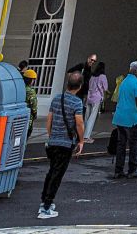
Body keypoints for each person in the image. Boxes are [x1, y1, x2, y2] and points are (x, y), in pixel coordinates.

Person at [37, 70, 84, 220]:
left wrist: (51, 135)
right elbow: (79, 123)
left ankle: (44, 201)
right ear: (80, 86)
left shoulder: (57, 99)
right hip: (66, 142)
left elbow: (49, 119)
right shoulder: (77, 102)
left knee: (51, 171)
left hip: (53, 141)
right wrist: (81, 140)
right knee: (58, 174)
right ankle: (46, 207)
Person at [112, 61, 137, 178]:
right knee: (134, 144)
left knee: (121, 144)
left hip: (120, 116)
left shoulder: (124, 82)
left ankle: (118, 170)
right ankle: (132, 169)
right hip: (132, 118)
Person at [84, 61, 108, 143]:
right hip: (97, 98)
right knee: (92, 117)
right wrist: (104, 97)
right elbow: (105, 88)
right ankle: (87, 137)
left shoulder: (92, 76)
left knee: (86, 117)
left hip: (89, 97)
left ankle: (83, 134)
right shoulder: (102, 76)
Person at [22, 68, 38, 133]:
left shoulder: (20, 87)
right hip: (28, 116)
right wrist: (35, 114)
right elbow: (33, 105)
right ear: (31, 80)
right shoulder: (30, 91)